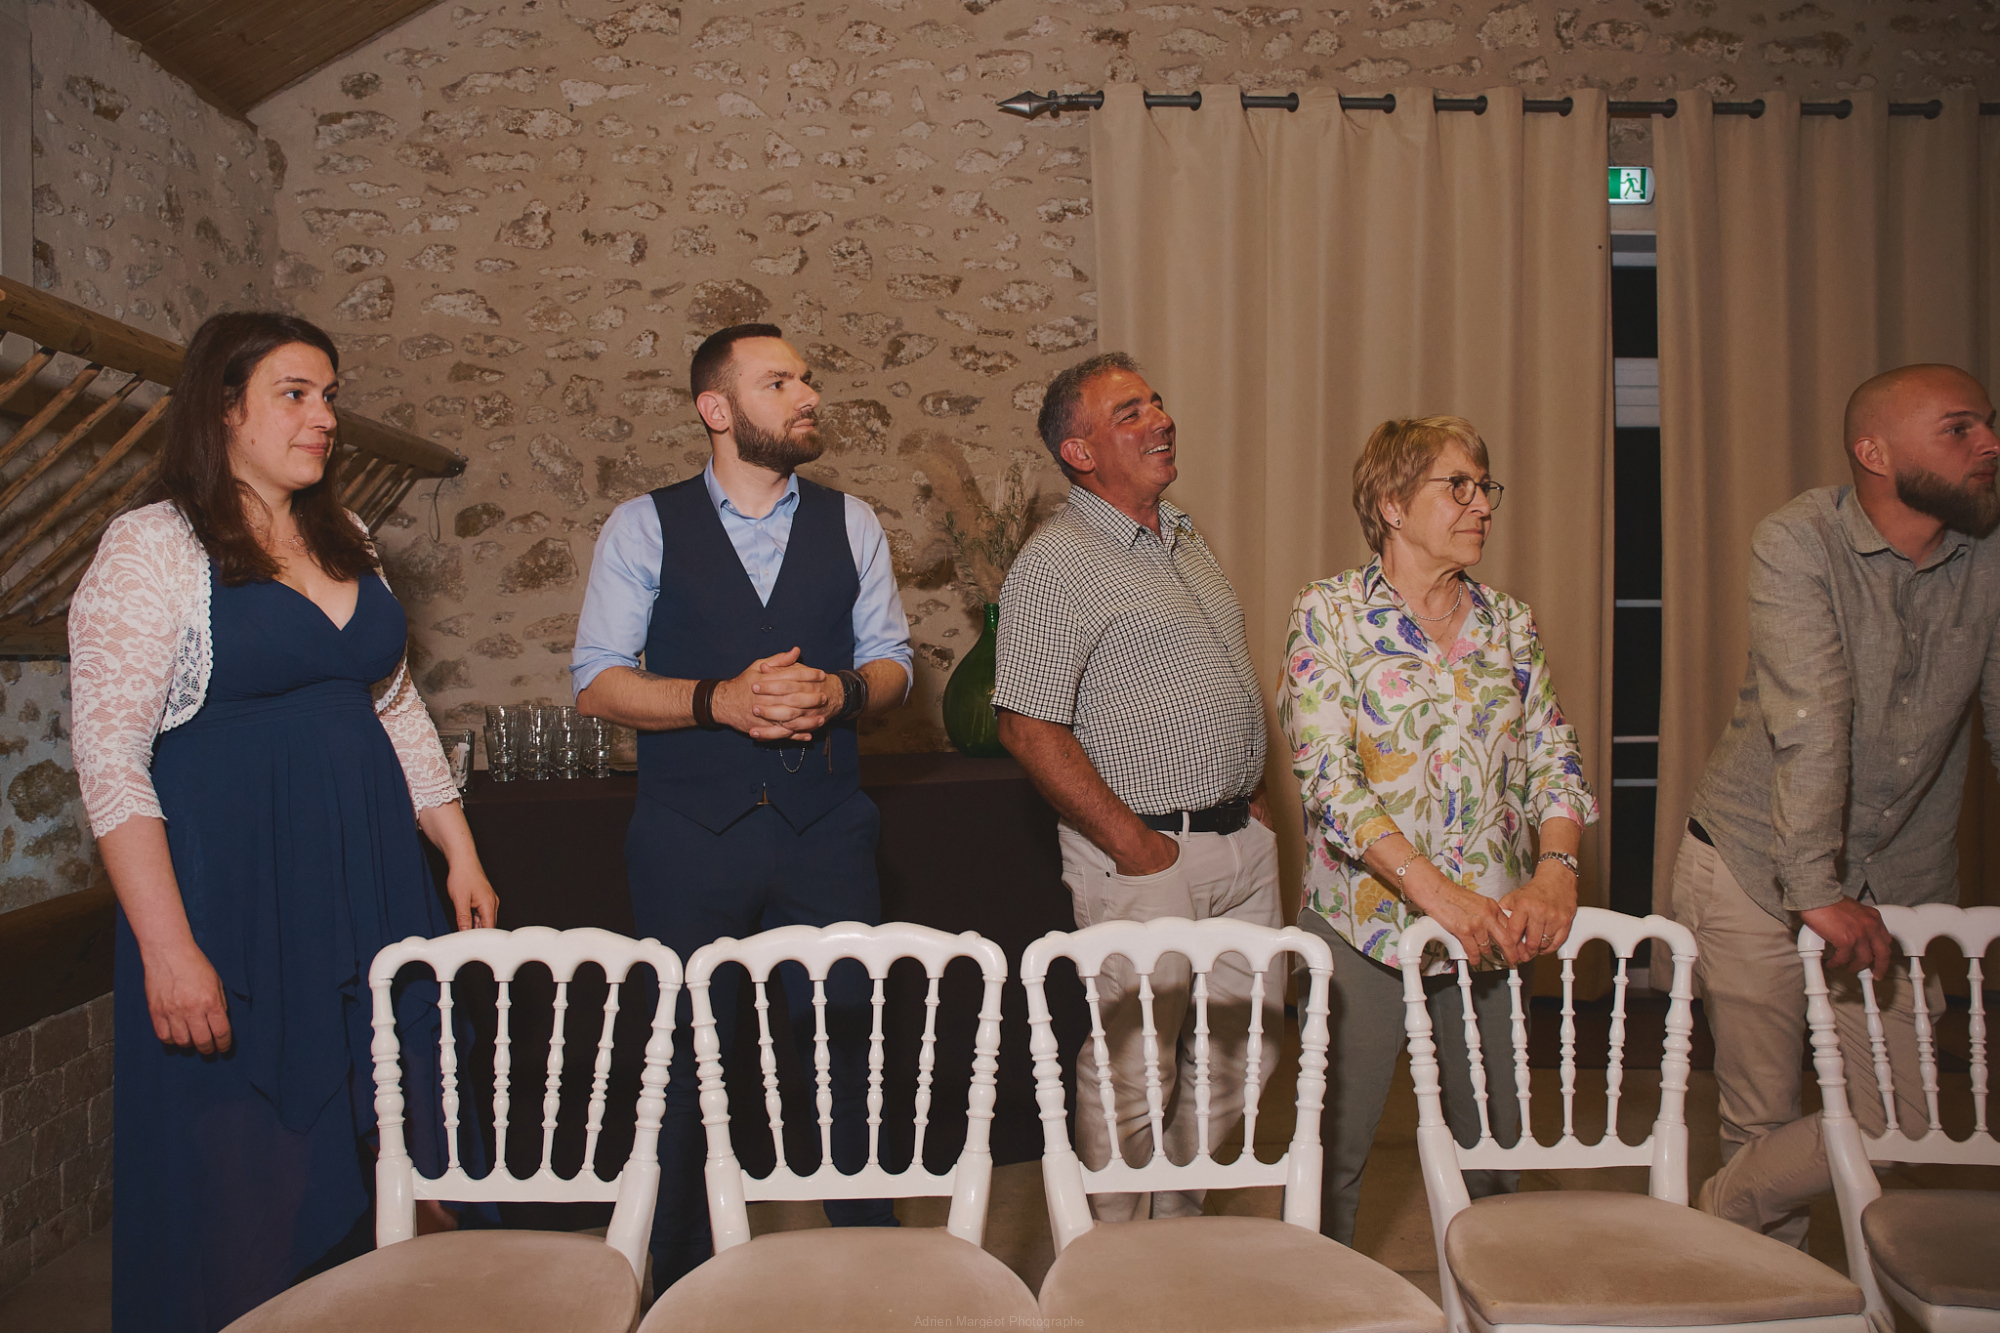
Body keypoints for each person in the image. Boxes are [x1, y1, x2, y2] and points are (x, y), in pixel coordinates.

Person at [69, 312, 498, 1332]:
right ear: (224, 408)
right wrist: (168, 949)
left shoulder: (344, 536)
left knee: (409, 1143)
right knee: (253, 1183)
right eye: (296, 394)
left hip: (374, 885)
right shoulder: (153, 543)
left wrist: (458, 850)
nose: (325, 417)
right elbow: (109, 759)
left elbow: (394, 706)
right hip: (238, 902)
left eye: (330, 396)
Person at [571, 322, 912, 1288]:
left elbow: (895, 663)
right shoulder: (643, 526)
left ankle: (878, 1278)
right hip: (688, 838)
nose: (808, 395)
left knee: (850, 1059)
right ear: (715, 409)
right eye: (779, 382)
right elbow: (596, 680)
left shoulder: (852, 522)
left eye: (806, 378)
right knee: (685, 1067)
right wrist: (714, 700)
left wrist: (844, 692)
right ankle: (679, 1283)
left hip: (827, 832)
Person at [1678, 363, 2000, 1246]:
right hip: (1751, 866)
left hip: (1901, 877)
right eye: (1960, 428)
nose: (1990, 445)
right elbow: (1812, 717)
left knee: (1901, 1118)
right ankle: (1767, 1290)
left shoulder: (1990, 556)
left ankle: (1715, 1213)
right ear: (1874, 452)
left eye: (1988, 424)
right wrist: (1814, 886)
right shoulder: (1798, 539)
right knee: (1761, 1115)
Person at [1277, 415, 1597, 1247]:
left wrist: (1556, 870)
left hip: (1493, 929)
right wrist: (1438, 895)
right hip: (1362, 928)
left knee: (1496, 1157)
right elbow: (1328, 781)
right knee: (1331, 1162)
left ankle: (1498, 1297)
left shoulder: (1510, 623)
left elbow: (1554, 756)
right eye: (1457, 486)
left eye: (1485, 486)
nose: (1481, 504)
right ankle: (1323, 1302)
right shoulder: (1329, 614)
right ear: (1391, 503)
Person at [992, 351, 1280, 1223]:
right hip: (1145, 854)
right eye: (1130, 413)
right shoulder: (1056, 562)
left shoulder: (1183, 535)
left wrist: (1251, 797)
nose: (1161, 419)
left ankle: (1175, 1222)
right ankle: (1111, 1251)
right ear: (1079, 453)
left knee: (1245, 1054)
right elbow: (1027, 726)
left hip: (1242, 843)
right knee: (1133, 1068)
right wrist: (1135, 844)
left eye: (1156, 402)